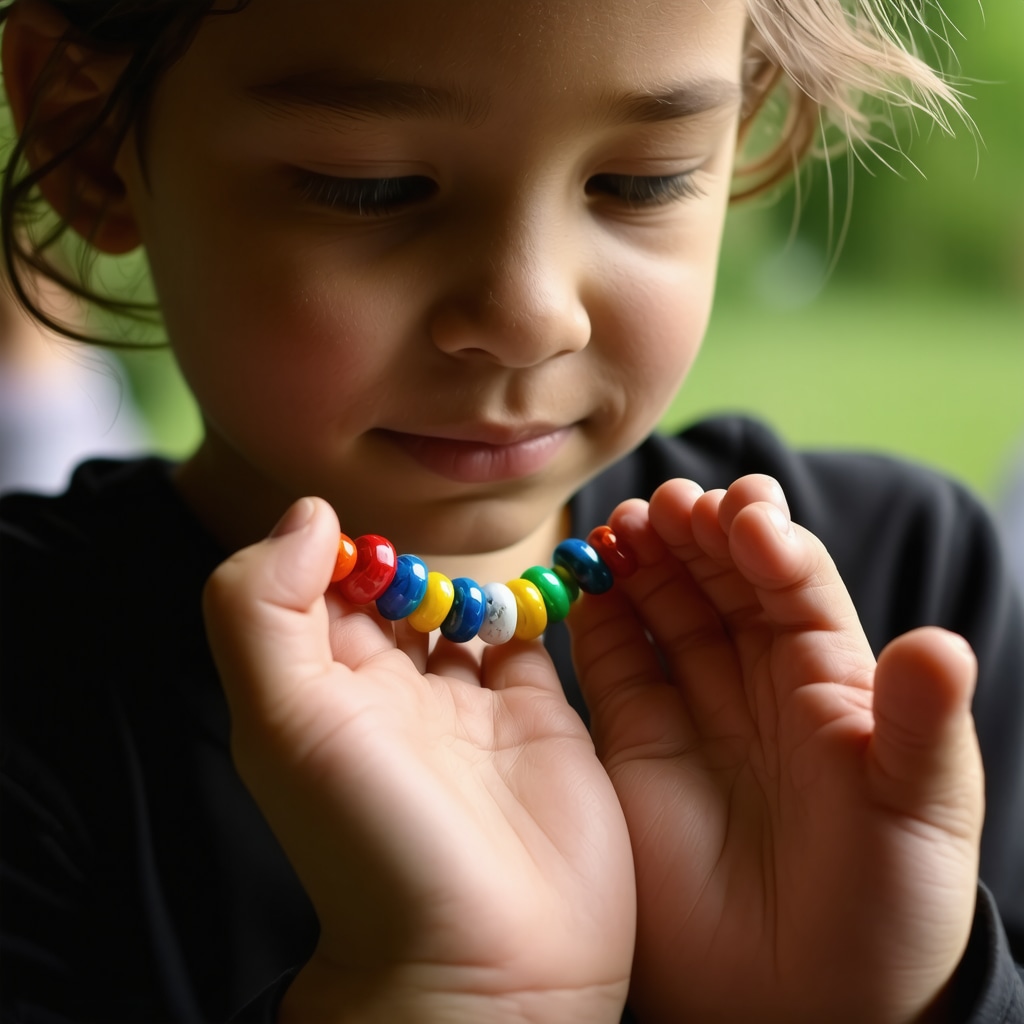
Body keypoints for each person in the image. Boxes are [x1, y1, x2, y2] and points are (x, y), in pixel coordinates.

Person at [0, 1, 1021, 1021]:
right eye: (374, 189)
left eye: (640, 180)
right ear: (88, 147)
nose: (530, 314)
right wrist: (430, 996)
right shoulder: (35, 691)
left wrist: (894, 1001)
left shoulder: (898, 607)